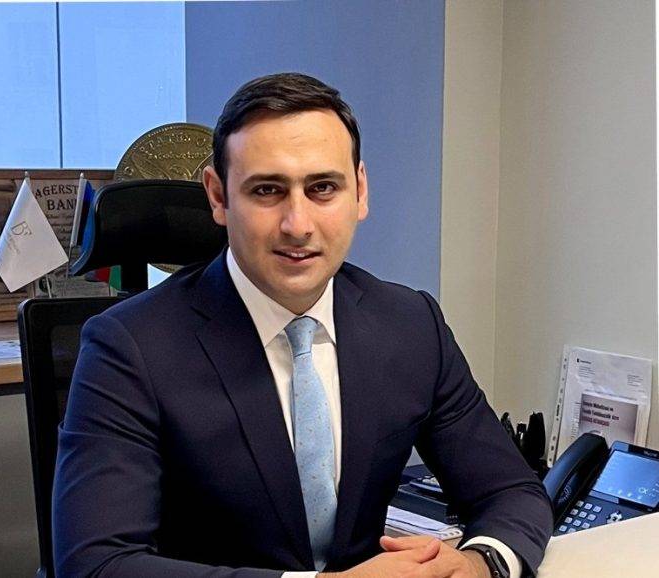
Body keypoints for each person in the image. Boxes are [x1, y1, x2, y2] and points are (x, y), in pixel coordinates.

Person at [53, 73, 553, 578]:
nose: (298, 225)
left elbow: (511, 491)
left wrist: (478, 564)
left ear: (360, 191)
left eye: (323, 188)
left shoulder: (410, 325)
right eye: (267, 190)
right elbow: (96, 565)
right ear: (218, 197)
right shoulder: (128, 347)